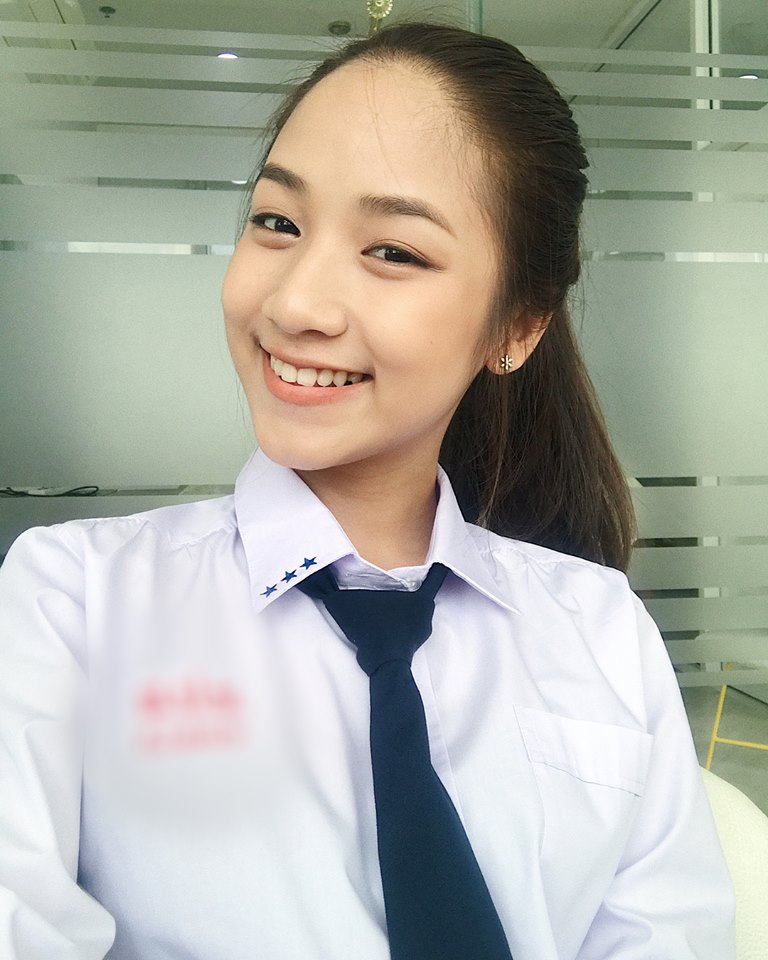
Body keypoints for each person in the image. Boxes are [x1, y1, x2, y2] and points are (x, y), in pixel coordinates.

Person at [0, 21, 734, 960]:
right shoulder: (72, 602)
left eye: (392, 251)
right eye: (277, 222)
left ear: (516, 328)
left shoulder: (601, 632)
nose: (295, 304)